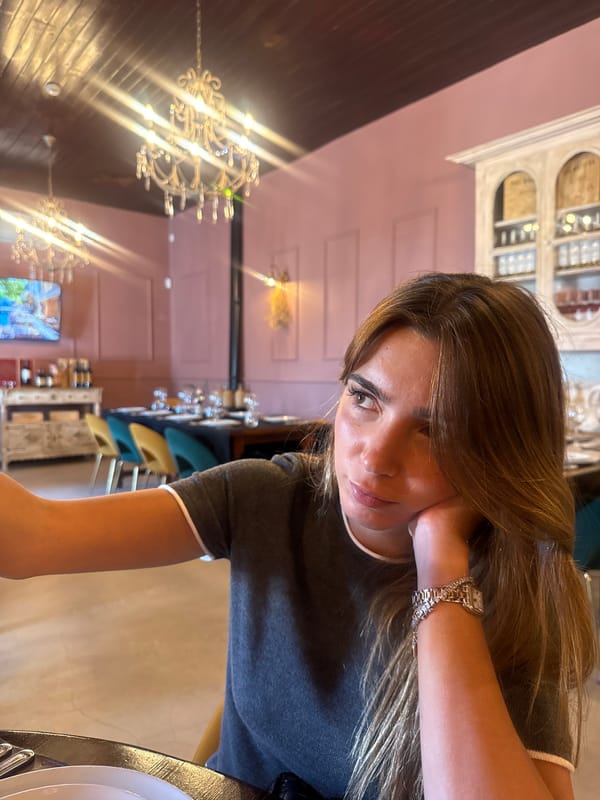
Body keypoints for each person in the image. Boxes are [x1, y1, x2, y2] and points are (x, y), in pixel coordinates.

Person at [1, 272, 595, 800]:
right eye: (364, 399)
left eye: (436, 430)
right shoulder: (272, 497)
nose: (373, 457)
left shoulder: (519, 578)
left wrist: (442, 571)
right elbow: (31, 538)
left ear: (501, 451)